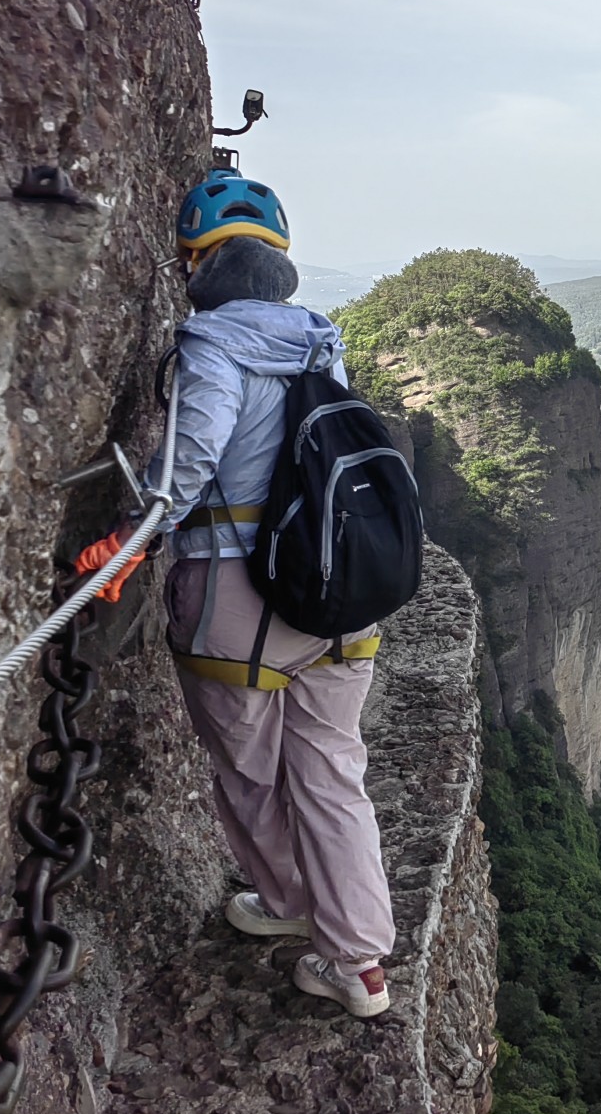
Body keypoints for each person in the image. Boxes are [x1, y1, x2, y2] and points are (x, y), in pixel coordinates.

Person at [74, 171, 394, 1017]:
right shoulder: (322, 344)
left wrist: (131, 542)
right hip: (339, 590)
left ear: (198, 264)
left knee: (250, 774)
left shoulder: (213, 345)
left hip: (238, 601)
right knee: (334, 774)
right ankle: (360, 964)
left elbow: (193, 456)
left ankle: (290, 905)